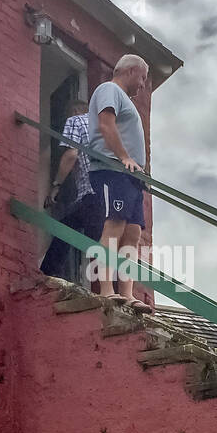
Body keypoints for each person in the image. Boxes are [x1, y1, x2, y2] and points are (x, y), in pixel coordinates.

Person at [86, 55, 150, 311]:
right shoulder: (109, 89)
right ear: (131, 70)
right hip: (112, 169)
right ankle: (106, 290)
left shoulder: (126, 100)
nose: (143, 85)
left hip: (131, 177)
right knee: (114, 225)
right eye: (143, 78)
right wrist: (124, 157)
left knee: (133, 234)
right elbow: (105, 123)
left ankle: (128, 293)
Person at [39, 99, 103, 282]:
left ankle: (48, 273)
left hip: (92, 191)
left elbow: (71, 154)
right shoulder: (107, 127)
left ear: (76, 110)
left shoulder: (76, 121)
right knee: (103, 242)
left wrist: (56, 185)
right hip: (113, 193)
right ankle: (111, 291)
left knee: (66, 228)